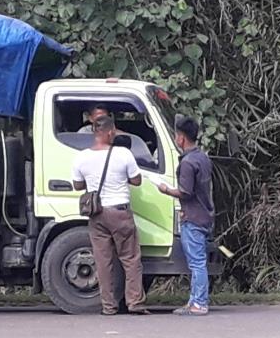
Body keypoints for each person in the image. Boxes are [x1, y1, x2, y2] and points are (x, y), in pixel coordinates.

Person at [72, 115, 150, 315]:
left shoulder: (82, 157)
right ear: (109, 132)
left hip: (97, 214)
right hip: (120, 212)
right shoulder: (123, 154)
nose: (115, 134)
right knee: (130, 259)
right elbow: (137, 180)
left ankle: (108, 306)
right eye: (113, 131)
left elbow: (78, 185)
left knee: (103, 261)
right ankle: (134, 302)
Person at [158, 115, 215, 316]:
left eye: (176, 135)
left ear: (181, 138)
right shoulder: (203, 157)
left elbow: (185, 192)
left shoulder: (188, 163)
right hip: (205, 215)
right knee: (197, 262)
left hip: (193, 217)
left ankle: (199, 303)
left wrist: (165, 189)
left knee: (197, 263)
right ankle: (193, 301)